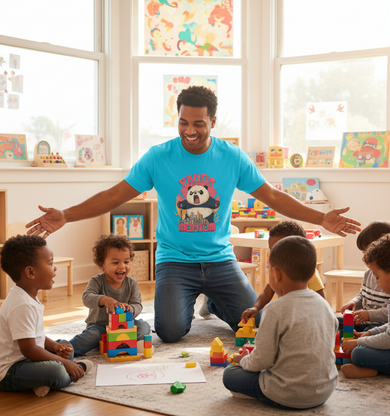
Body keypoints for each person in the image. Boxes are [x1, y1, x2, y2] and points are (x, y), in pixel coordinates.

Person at [26, 86, 361, 343]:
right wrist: (66, 215)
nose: (190, 130)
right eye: (184, 122)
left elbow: (271, 196)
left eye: (199, 123)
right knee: (170, 331)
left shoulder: (232, 157)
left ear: (213, 122)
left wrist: (320, 218)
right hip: (174, 260)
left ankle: (213, 303)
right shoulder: (158, 157)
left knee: (256, 324)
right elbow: (115, 194)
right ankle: (200, 300)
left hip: (220, 259)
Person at [223, 236, 338, 409]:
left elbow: (261, 361)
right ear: (313, 272)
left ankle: (261, 394)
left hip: (286, 393)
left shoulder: (275, 309)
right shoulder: (326, 306)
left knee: (230, 374)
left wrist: (243, 360)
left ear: (276, 274)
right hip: (324, 391)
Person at [0, 235, 92, 397]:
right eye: (50, 263)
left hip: (27, 359)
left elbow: (37, 336)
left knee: (65, 346)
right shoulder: (21, 304)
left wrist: (56, 348)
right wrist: (63, 362)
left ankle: (40, 381)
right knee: (56, 370)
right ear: (30, 272)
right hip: (10, 370)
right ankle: (69, 372)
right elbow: (29, 349)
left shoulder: (28, 296)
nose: (55, 268)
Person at [341, 234, 390, 379]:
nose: (375, 281)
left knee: (358, 352)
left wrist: (359, 342)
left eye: (377, 276)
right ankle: (373, 368)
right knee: (361, 346)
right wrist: (369, 334)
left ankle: (375, 370)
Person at [69, 234, 151, 356]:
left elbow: (137, 304)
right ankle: (66, 348)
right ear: (101, 265)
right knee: (92, 336)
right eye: (115, 262)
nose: (122, 266)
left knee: (143, 327)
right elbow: (86, 298)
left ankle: (119, 343)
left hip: (124, 327)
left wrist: (131, 309)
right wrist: (105, 300)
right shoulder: (97, 281)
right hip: (100, 327)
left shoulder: (132, 283)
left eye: (126, 262)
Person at [241, 220, 326, 323]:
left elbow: (322, 302)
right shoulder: (277, 270)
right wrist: (255, 307)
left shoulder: (307, 272)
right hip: (286, 315)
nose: (273, 254)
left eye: (278, 249)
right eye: (271, 249)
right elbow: (267, 292)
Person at [338, 221, 390, 339]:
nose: (364, 257)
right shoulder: (368, 273)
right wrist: (355, 302)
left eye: (368, 253)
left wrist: (369, 315)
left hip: (381, 325)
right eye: (363, 252)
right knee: (336, 322)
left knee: (365, 335)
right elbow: (363, 294)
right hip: (364, 322)